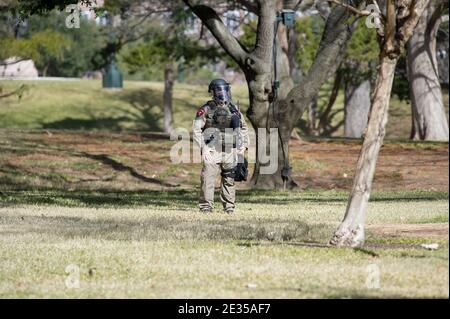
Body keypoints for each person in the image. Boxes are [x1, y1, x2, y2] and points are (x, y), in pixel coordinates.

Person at [192, 79, 249, 214]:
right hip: (212, 148)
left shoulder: (233, 109)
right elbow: (196, 130)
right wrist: (203, 147)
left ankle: (229, 207)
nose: (221, 93)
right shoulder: (205, 110)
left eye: (223, 89)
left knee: (229, 178)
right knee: (208, 179)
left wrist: (243, 146)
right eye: (218, 90)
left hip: (230, 149)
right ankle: (206, 207)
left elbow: (243, 128)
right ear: (212, 92)